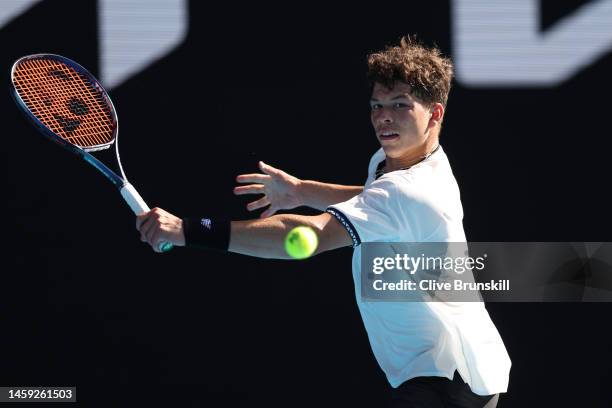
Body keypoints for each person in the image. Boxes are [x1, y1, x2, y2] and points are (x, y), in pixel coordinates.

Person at [136, 36, 511, 407]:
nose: (384, 117)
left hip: (447, 380)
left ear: (435, 113)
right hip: (445, 369)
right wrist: (300, 192)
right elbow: (370, 198)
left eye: (400, 105)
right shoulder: (399, 161)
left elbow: (307, 236)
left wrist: (187, 230)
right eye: (377, 105)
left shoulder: (408, 190)